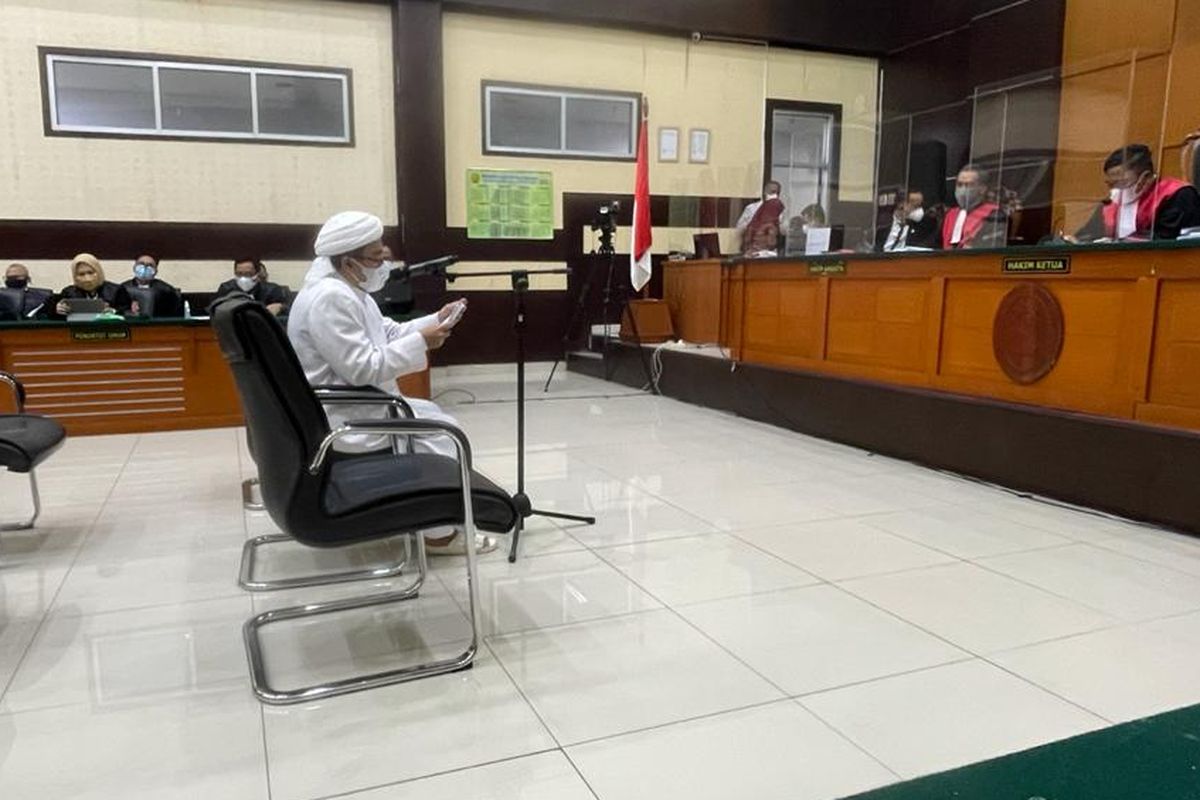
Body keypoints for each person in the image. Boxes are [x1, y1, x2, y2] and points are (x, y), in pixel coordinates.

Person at [287, 210, 490, 555]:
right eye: (377, 257)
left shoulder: (348, 290)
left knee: (438, 419)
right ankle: (437, 535)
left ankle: (429, 522)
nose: (385, 263)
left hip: (360, 404)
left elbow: (387, 332)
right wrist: (422, 342)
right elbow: (362, 368)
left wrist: (434, 320)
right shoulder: (331, 298)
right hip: (346, 415)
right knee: (444, 437)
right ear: (349, 262)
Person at [1074, 144, 1200, 242]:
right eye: (1111, 184)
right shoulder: (1111, 204)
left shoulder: (1178, 195)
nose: (1115, 190)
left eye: (1121, 182)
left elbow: (1167, 240)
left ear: (1146, 178)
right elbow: (1086, 236)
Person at [941, 165, 1008, 249]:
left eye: (969, 185)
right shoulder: (950, 215)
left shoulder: (995, 215)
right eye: (959, 185)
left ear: (982, 189)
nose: (962, 190)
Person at [52, 254, 132, 317]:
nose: (87, 278)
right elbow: (52, 314)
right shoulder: (68, 292)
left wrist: (113, 311)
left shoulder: (116, 290)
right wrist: (57, 310)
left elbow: (128, 312)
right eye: (81, 274)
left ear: (99, 272)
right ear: (75, 276)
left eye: (90, 272)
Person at [216, 258, 290, 315]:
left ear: (257, 274)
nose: (243, 278)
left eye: (248, 274)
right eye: (239, 274)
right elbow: (212, 310)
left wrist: (281, 307)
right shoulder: (226, 288)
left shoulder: (272, 290)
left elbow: (290, 309)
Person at [736, 181, 785, 249]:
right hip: (753, 247)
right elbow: (740, 227)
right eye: (773, 192)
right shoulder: (752, 208)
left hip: (770, 249)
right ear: (764, 192)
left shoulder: (779, 209)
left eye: (777, 192)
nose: (775, 195)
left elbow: (783, 231)